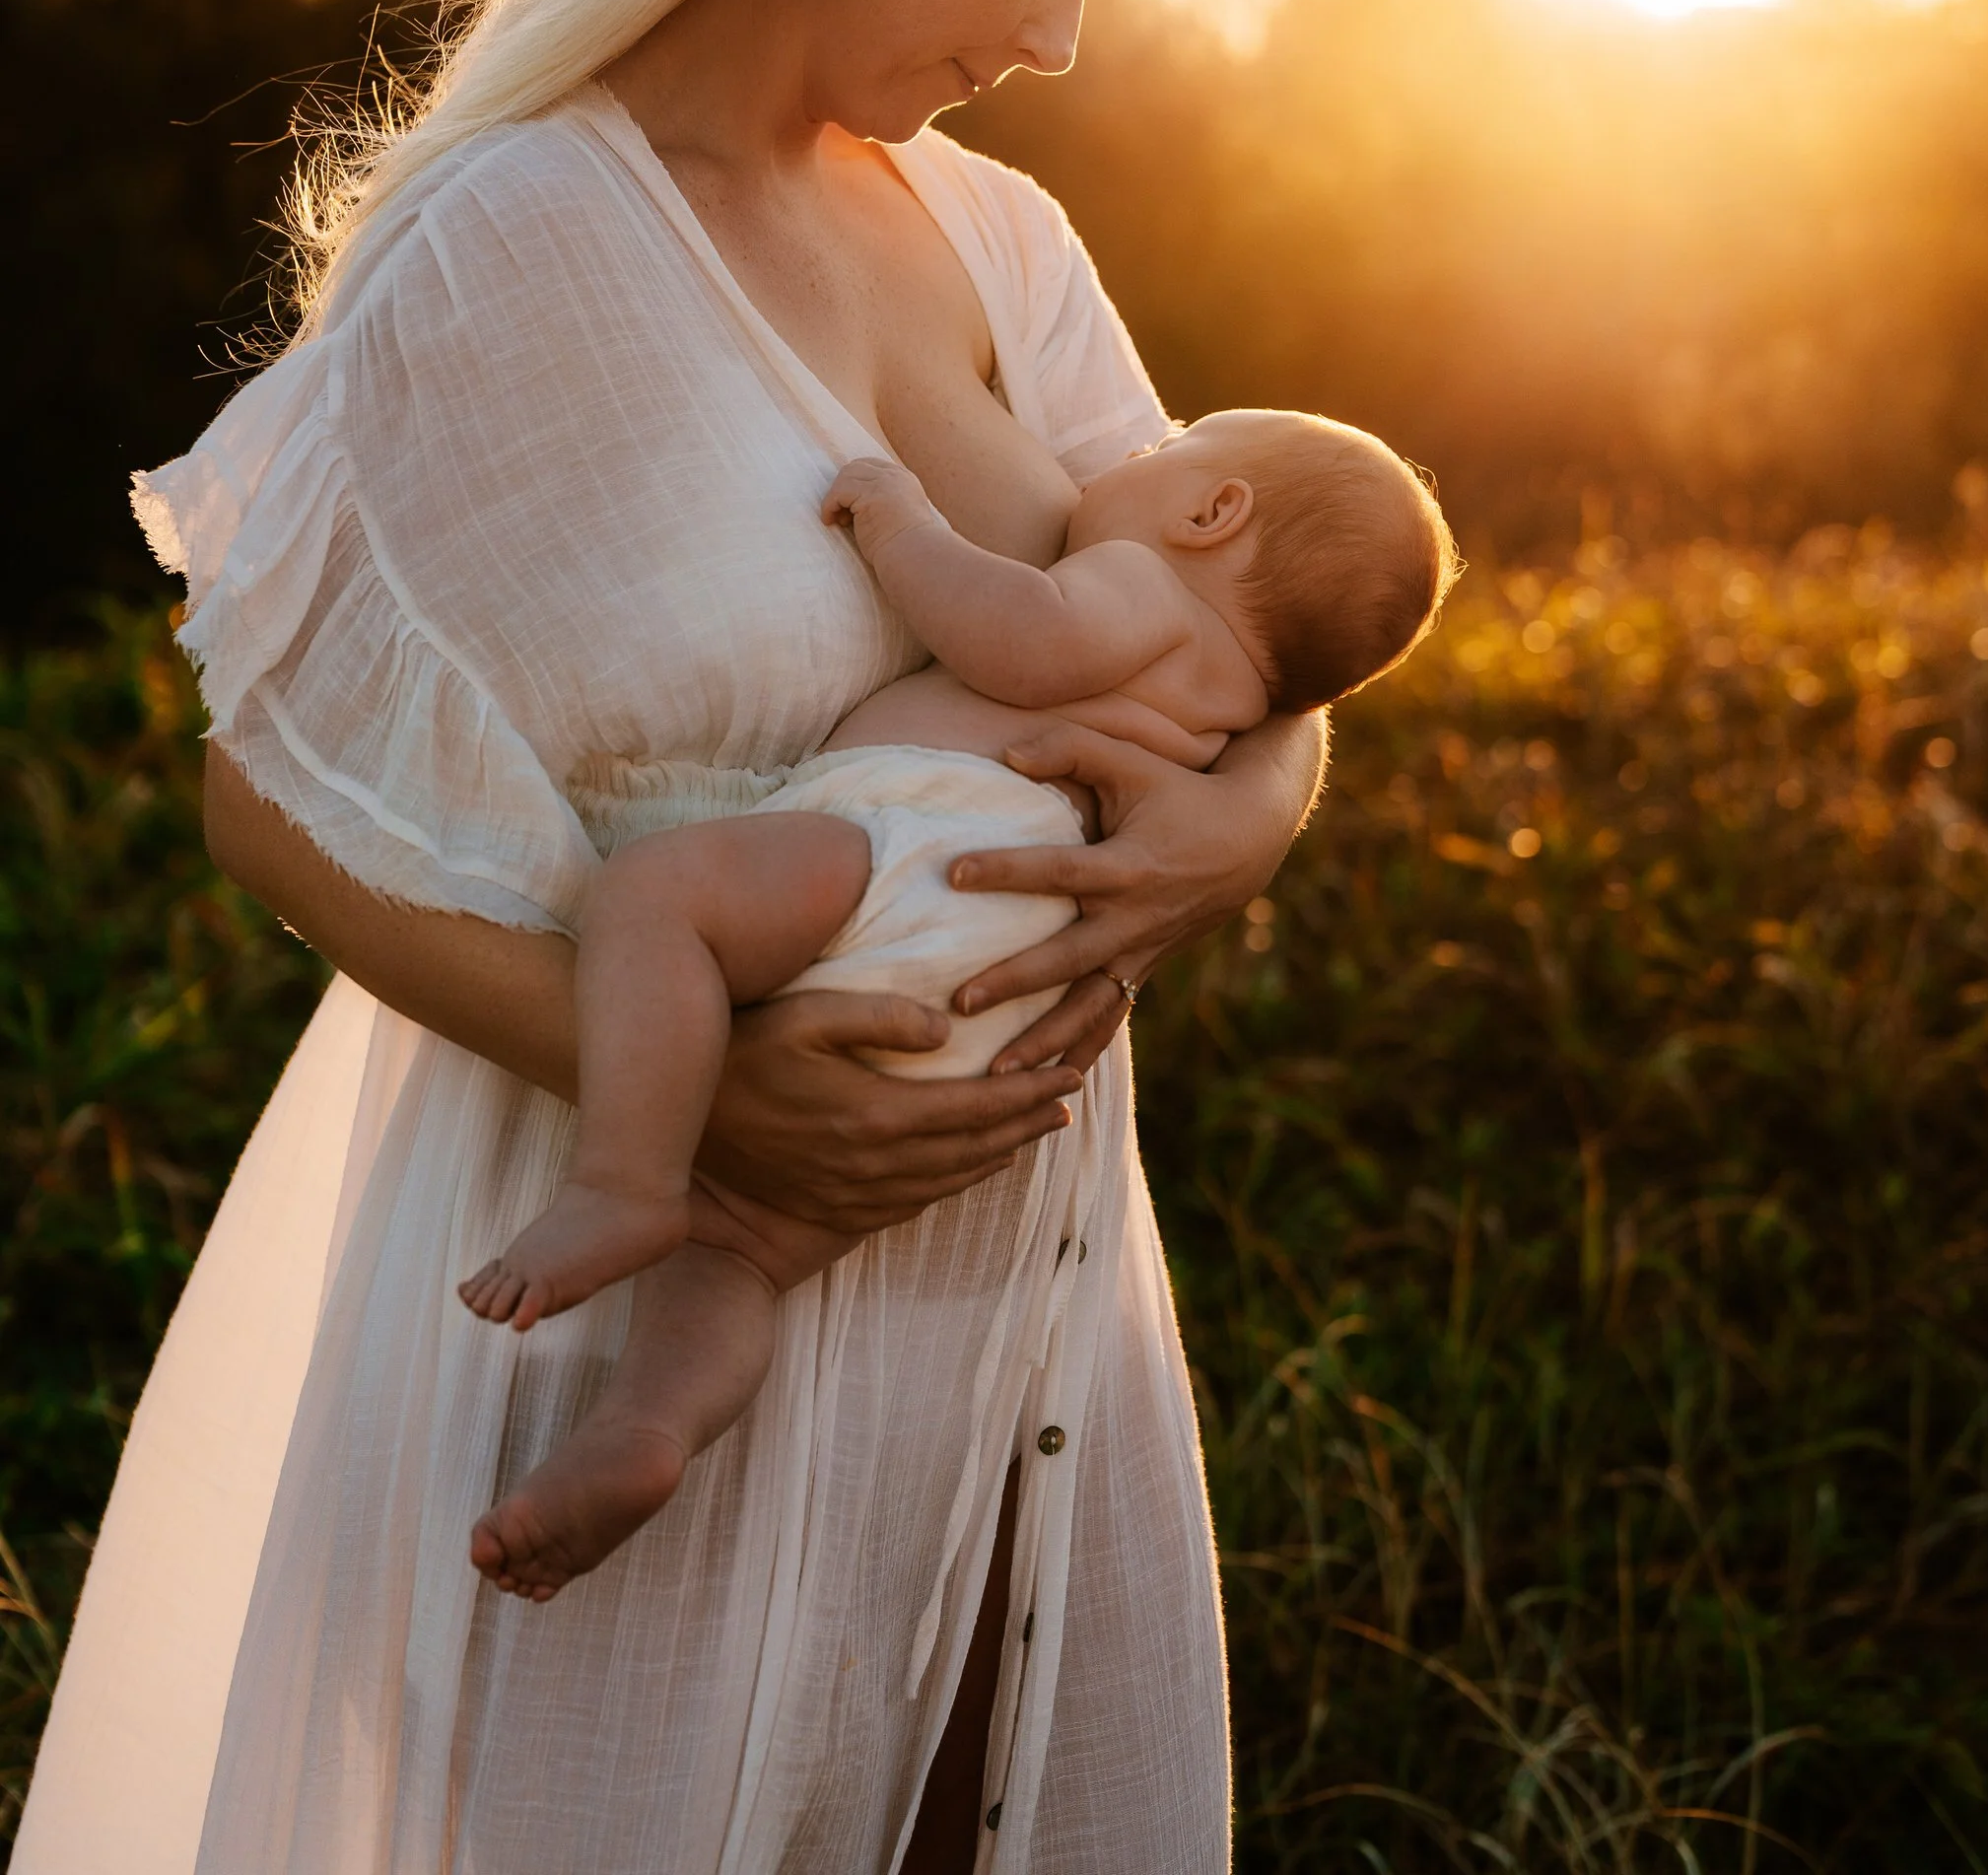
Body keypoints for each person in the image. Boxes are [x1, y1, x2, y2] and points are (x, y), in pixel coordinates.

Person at [15, 0, 1332, 1875]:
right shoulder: (516, 236)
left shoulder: (1001, 239)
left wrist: (1246, 823)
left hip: (1011, 1292)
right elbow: (261, 798)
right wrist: (705, 1108)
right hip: (616, 1263)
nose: (1056, 36)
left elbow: (1265, 623)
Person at [457, 414, 1457, 1603]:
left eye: (1165, 450)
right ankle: (650, 1430)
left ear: (1211, 512)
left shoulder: (1142, 582)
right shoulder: (1231, 713)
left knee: (650, 902)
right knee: (742, 1252)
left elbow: (1021, 642)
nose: (1126, 457)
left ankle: (622, 1182)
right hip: (999, 1000)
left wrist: (900, 522)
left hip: (923, 846)